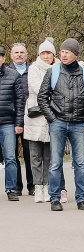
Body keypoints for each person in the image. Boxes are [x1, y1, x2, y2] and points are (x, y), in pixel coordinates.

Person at [38, 37, 84, 211]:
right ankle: (55, 198)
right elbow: (42, 97)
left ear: (75, 54)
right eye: (62, 52)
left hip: (78, 124)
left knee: (81, 163)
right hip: (58, 122)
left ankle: (81, 198)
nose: (63, 55)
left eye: (67, 52)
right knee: (55, 162)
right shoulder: (53, 72)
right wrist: (52, 119)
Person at [22, 41, 56, 203]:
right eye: (43, 53)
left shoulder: (58, 68)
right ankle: (38, 187)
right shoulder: (33, 68)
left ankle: (48, 185)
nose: (46, 56)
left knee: (49, 156)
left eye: (49, 53)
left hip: (51, 116)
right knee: (35, 156)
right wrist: (53, 93)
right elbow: (37, 88)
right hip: (35, 116)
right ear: (39, 55)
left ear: (53, 55)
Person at [0, 46, 27, 201]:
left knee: (10, 157)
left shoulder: (13, 75)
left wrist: (18, 123)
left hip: (8, 123)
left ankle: (11, 189)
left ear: (4, 58)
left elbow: (19, 101)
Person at [10, 43, 32, 197]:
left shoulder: (33, 71)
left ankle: (32, 185)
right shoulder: (6, 72)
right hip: (10, 118)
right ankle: (17, 186)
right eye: (16, 52)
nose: (19, 55)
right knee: (12, 154)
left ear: (26, 54)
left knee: (30, 153)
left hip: (29, 117)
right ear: (11, 55)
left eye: (22, 52)